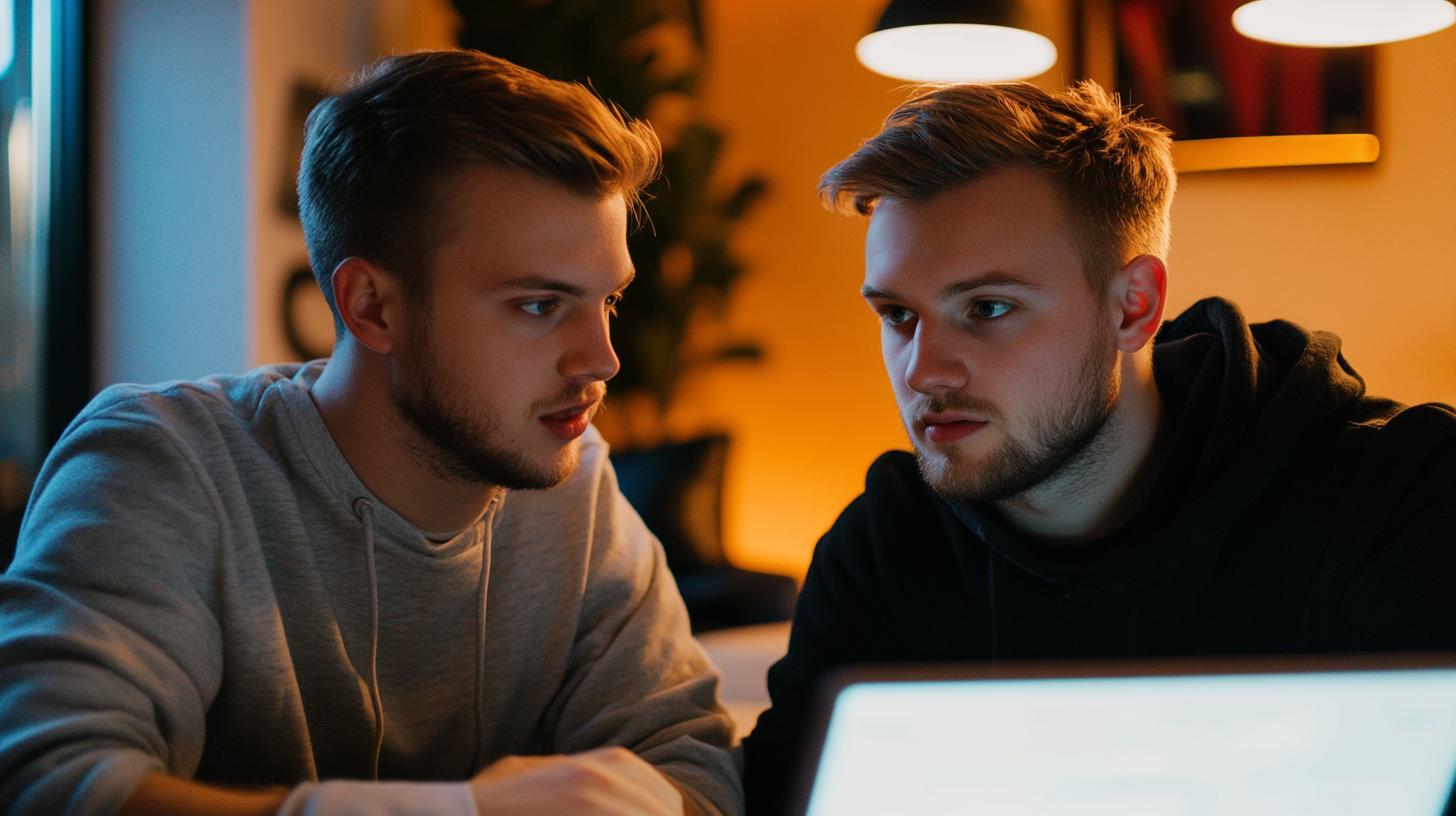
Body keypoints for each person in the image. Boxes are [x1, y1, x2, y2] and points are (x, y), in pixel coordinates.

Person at [0, 50, 740, 816]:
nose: (602, 360)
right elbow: (46, 784)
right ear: (372, 307)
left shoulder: (575, 487)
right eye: (537, 305)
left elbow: (696, 773)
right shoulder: (162, 461)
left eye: (606, 301)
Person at [742, 80, 1456, 814]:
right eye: (897, 314)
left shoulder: (1399, 500)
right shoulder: (887, 548)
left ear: (1132, 306)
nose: (923, 370)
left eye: (988, 308)